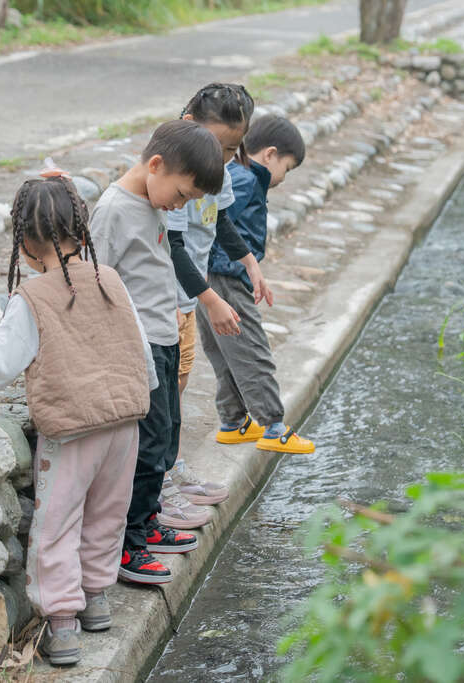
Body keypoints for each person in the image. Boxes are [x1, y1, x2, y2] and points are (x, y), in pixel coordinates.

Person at [0, 172, 155, 666]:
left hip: (72, 430)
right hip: (124, 424)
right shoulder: (110, 279)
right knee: (107, 514)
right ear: (80, 230)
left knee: (57, 524)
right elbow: (141, 351)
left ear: (27, 243)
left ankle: (62, 625)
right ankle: (97, 600)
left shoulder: (31, 298)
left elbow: (3, 367)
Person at [89, 119, 224, 585]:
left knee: (164, 439)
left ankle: (148, 524)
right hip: (135, 344)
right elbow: (95, 281)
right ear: (155, 164)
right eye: (183, 195)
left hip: (162, 337)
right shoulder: (114, 210)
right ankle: (127, 546)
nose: (180, 204)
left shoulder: (153, 202)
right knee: (144, 450)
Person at [163, 83, 275, 525]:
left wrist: (249, 261)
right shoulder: (177, 176)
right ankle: (158, 481)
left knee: (180, 383)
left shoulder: (219, 172)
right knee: (163, 393)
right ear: (190, 126)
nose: (225, 157)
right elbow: (172, 246)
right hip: (166, 297)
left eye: (233, 148)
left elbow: (222, 220)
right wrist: (210, 298)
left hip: (185, 299)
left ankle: (170, 467)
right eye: (219, 145)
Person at [203, 114, 315, 454]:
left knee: (225, 353)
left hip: (208, 277)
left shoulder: (236, 174)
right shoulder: (247, 180)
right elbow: (217, 222)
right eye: (288, 167)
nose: (284, 177)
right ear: (269, 154)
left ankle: (234, 422)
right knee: (252, 351)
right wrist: (241, 265)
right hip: (225, 277)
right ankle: (274, 426)